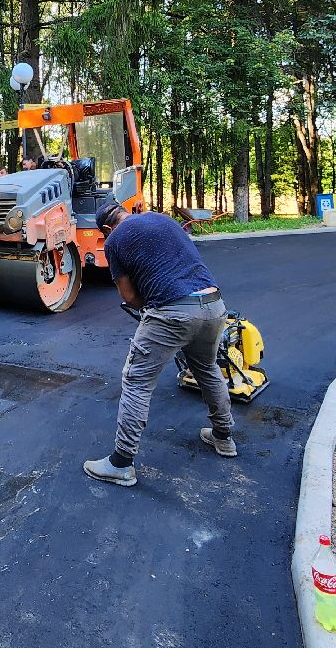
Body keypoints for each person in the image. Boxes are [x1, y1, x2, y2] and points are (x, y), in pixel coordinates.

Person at [83, 199, 236, 488]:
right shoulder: (162, 219)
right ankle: (224, 437)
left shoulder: (114, 239)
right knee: (206, 368)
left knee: (136, 380)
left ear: (105, 227)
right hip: (214, 305)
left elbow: (129, 296)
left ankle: (121, 463)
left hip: (172, 311)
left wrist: (151, 307)